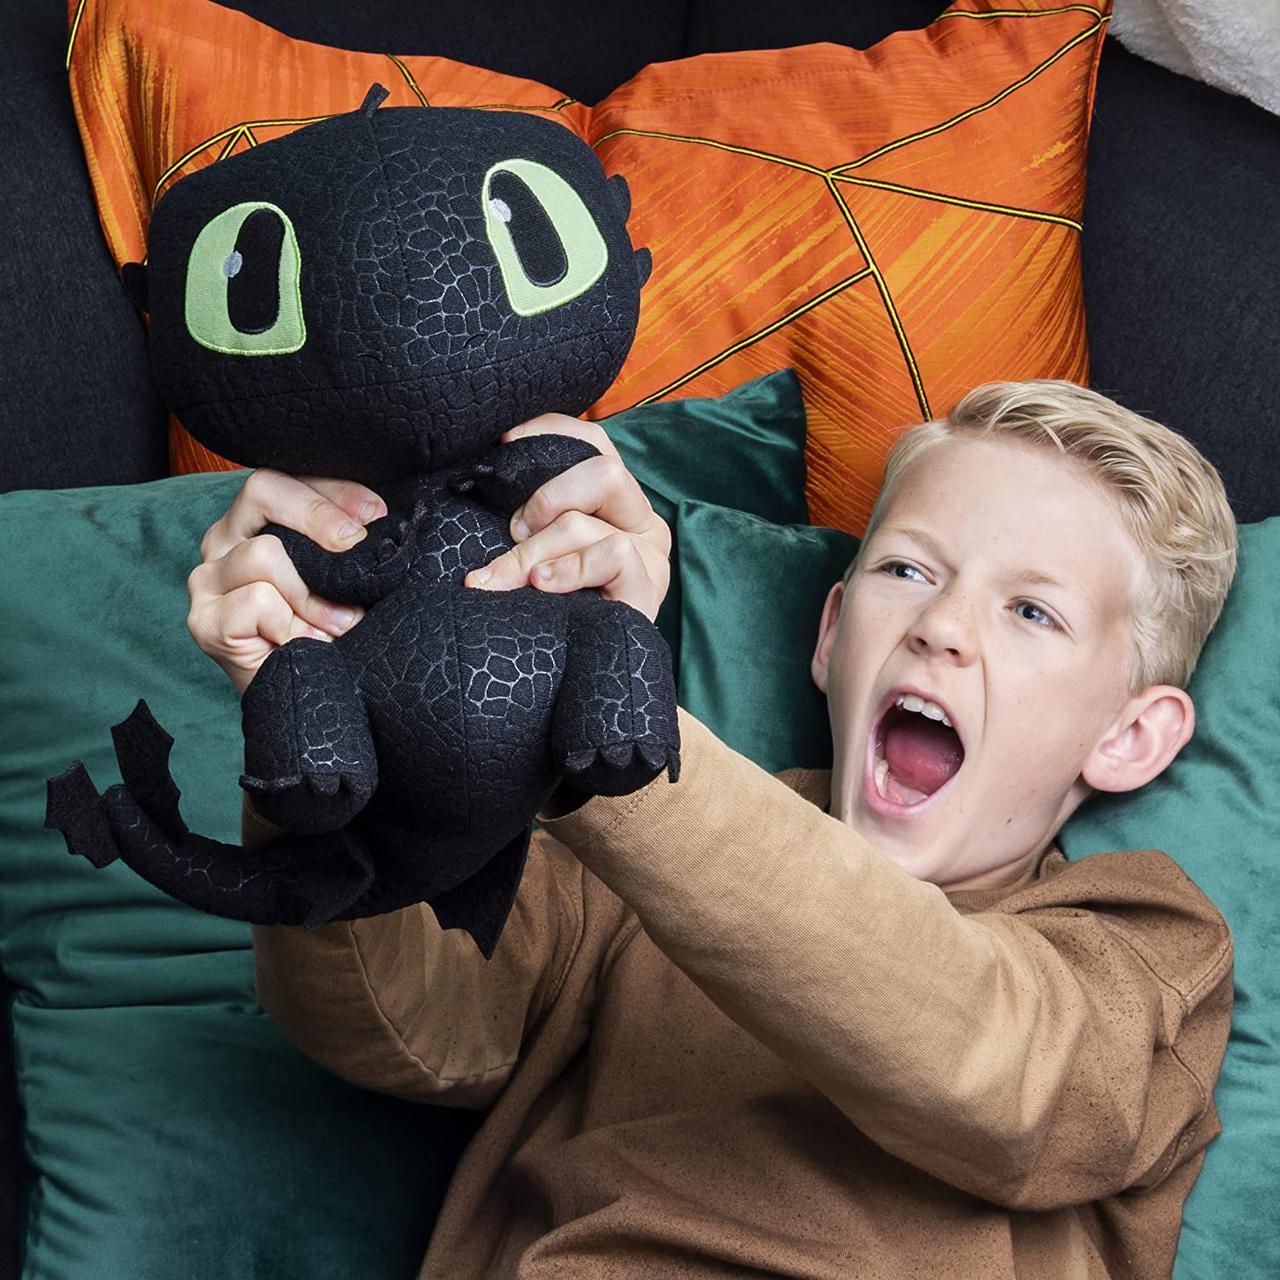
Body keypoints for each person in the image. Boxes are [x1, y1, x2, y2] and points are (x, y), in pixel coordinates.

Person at [187, 378, 1237, 1279]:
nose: (941, 626)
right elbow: (405, 1029)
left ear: (1130, 736)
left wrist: (608, 722)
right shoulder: (625, 867)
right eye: (908, 570)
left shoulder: (1140, 936)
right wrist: (332, 730)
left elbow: (1004, 1072)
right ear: (832, 635)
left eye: (1032, 611)